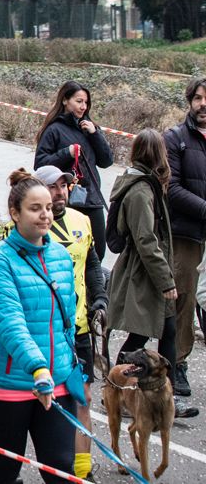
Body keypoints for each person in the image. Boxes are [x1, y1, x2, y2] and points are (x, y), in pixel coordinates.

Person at [0, 170, 80, 484]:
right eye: (35, 208)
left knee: (62, 469)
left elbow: (67, 319)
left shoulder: (61, 255)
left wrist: (68, 363)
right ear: (15, 213)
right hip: (6, 387)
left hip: (56, 382)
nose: (45, 214)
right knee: (3, 474)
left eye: (48, 207)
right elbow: (9, 324)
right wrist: (37, 367)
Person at [110, 129, 199, 418]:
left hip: (146, 271)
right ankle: (118, 389)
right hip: (143, 273)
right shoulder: (140, 190)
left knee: (156, 331)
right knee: (151, 333)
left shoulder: (144, 184)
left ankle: (161, 397)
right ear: (158, 154)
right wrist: (166, 281)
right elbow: (146, 240)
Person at [33, 165, 109, 477]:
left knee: (83, 397)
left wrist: (99, 299)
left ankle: (81, 470)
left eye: (64, 185)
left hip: (77, 329)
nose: (60, 192)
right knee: (40, 400)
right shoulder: (31, 224)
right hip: (42, 330)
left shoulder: (83, 221)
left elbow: (93, 264)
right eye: (52, 187)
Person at [34, 81, 113, 262]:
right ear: (65, 100)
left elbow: (107, 161)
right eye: (79, 101)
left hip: (92, 199)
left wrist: (95, 135)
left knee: (97, 251)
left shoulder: (90, 127)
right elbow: (40, 164)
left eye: (86, 103)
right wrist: (66, 153)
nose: (83, 107)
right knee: (67, 252)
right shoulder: (54, 129)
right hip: (65, 200)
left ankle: (91, 289)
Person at [164, 76, 206, 399]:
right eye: (198, 98)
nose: (203, 104)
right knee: (184, 301)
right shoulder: (175, 138)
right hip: (186, 233)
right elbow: (172, 188)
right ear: (190, 101)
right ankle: (176, 364)